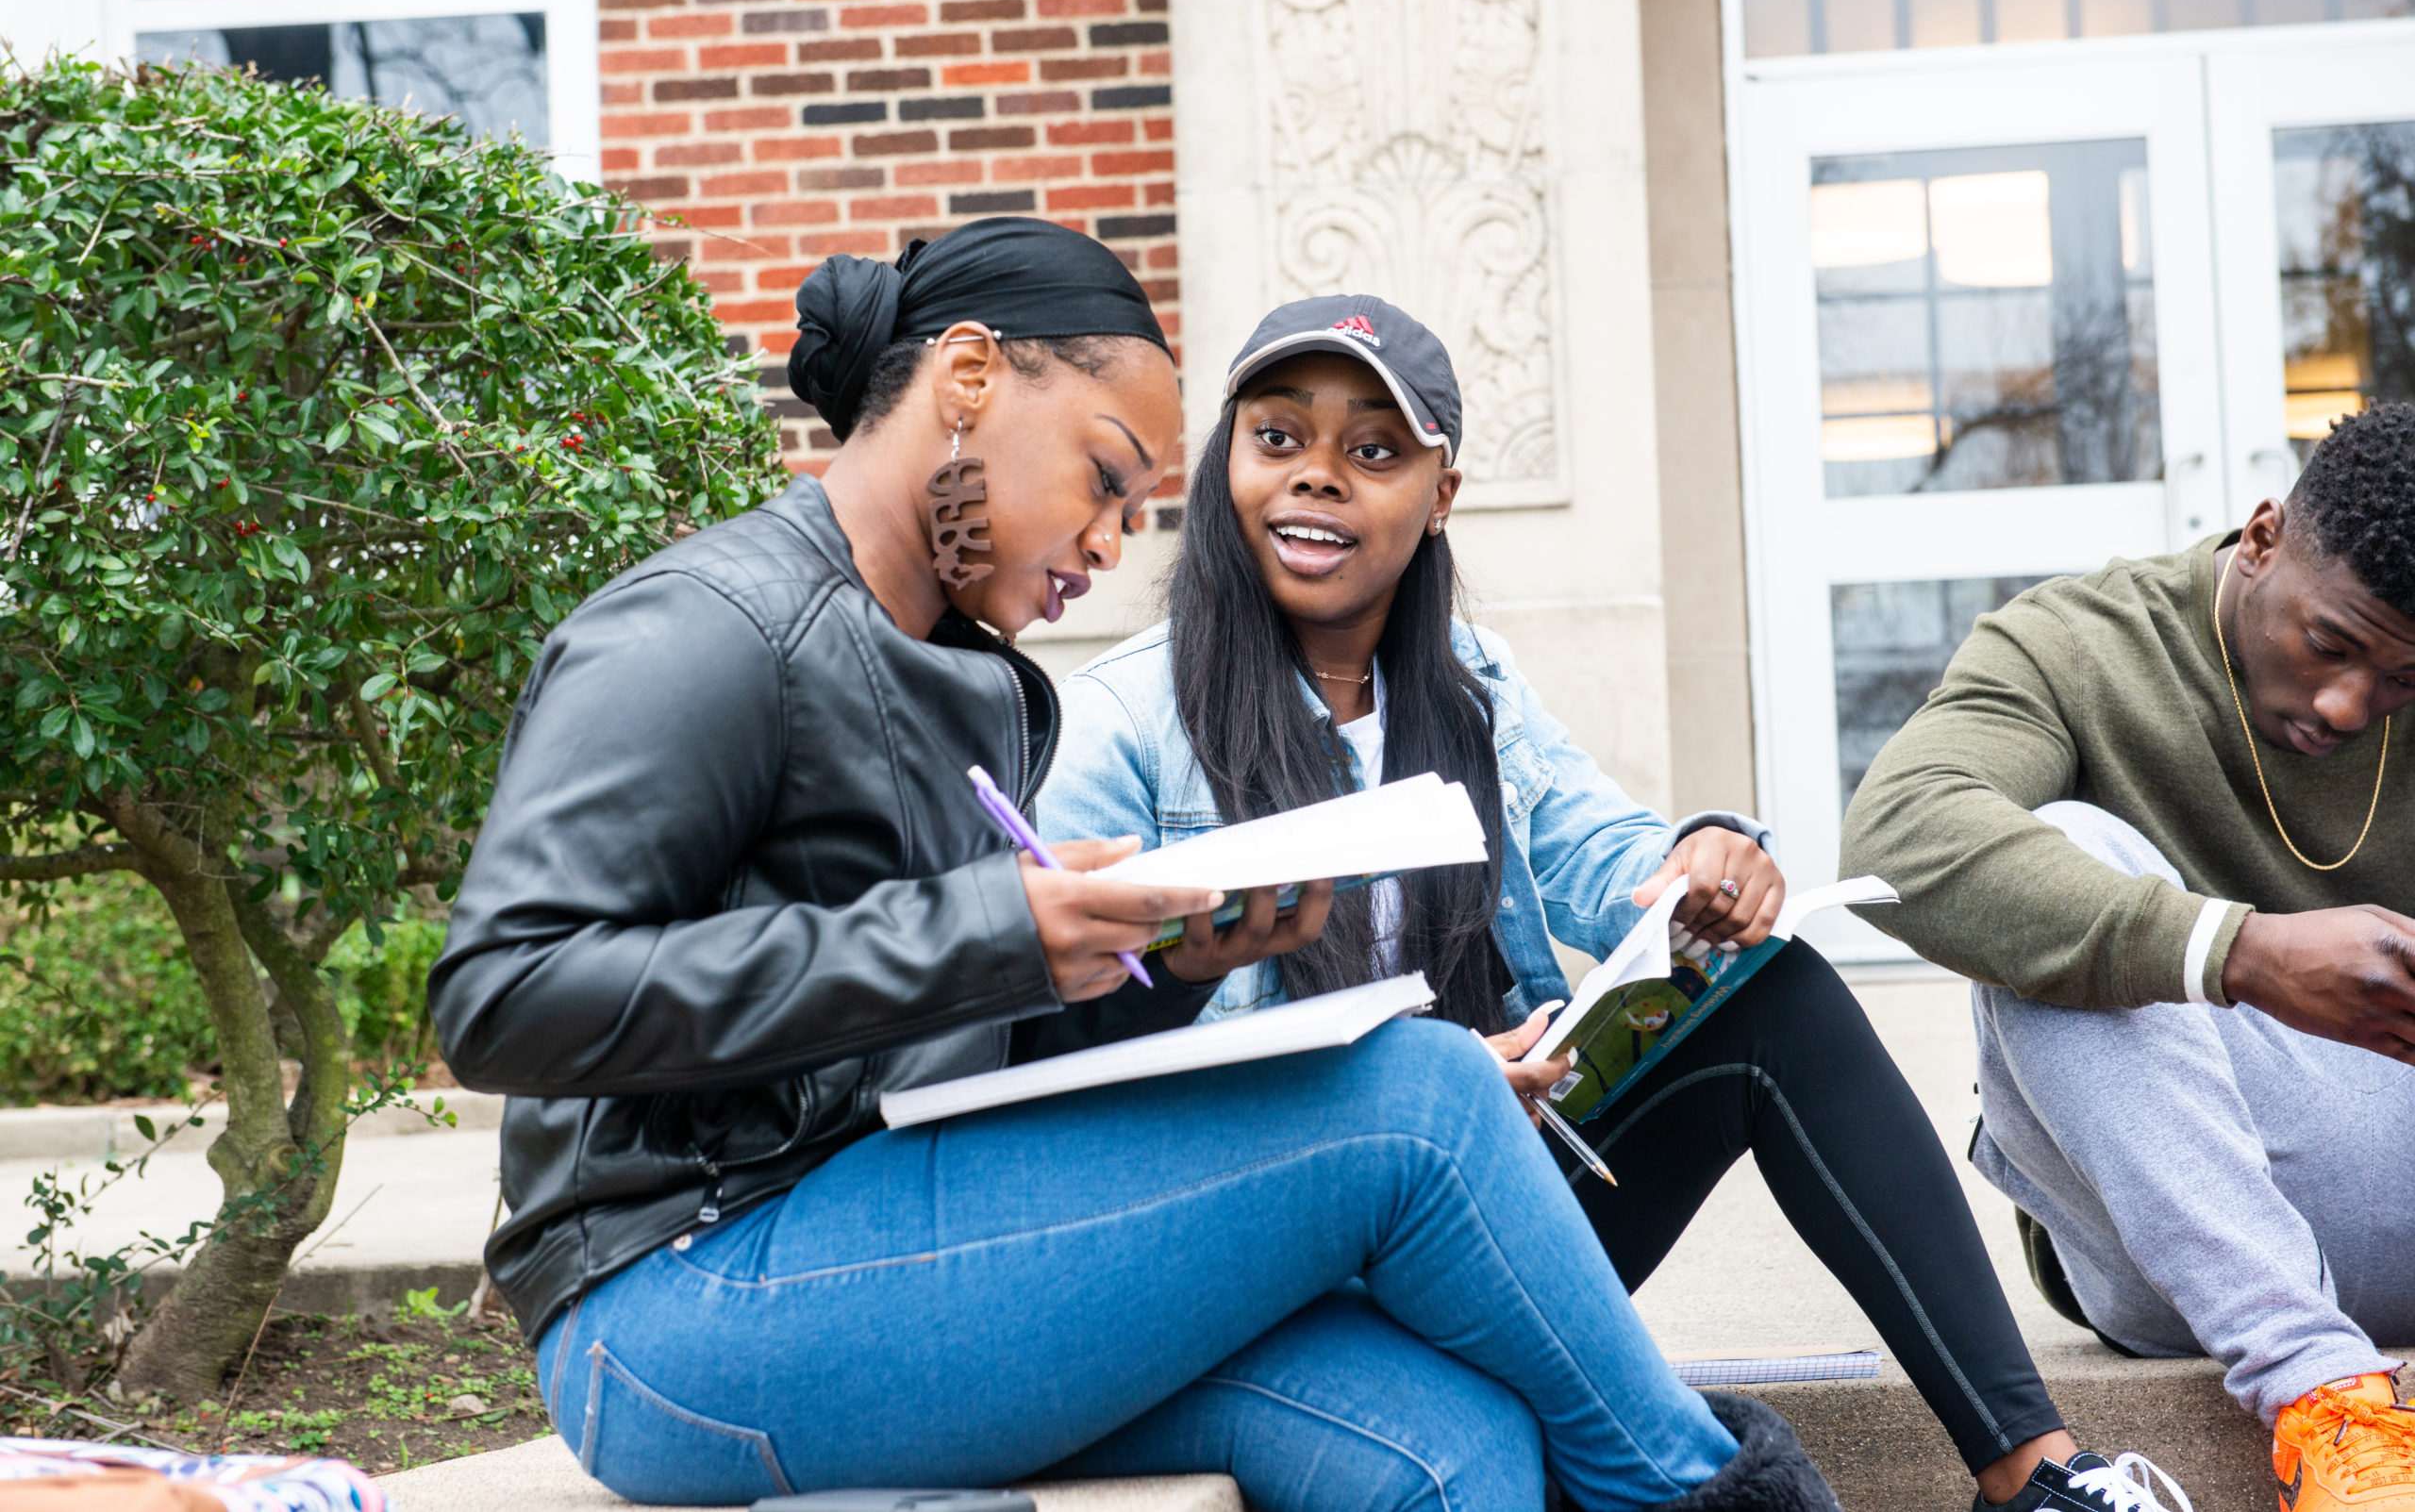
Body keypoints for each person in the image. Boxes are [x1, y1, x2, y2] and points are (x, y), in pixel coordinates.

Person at [428, 222, 1840, 1512]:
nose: (1110, 545)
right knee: (1421, 1093)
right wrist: (991, 926)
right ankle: (1689, 1494)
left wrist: (1160, 968)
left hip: (897, 1246)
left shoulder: (968, 682)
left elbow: (952, 1052)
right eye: (1106, 478)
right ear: (969, 378)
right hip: (676, 1304)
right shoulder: (708, 628)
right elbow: (503, 996)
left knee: (1447, 1440)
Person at [1039, 295, 2192, 1512]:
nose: (1314, 478)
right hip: (1265, 1262)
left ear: (1441, 493)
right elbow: (1078, 1074)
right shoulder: (1121, 726)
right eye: (1277, 439)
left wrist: (1698, 855)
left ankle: (2037, 1477)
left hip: (1477, 1221)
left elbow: (1606, 849)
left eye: (1373, 451)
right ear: (1227, 459)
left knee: (1773, 988)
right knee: (1429, 1118)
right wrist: (1407, 1090)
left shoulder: (1470, 688)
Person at [1840, 404, 2415, 1512]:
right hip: (2181, 1238)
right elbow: (1895, 840)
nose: (2350, 702)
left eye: (2397, 680)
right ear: (2259, 536)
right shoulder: (2079, 644)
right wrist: (2234, 952)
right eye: (2330, 644)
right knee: (2057, 856)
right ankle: (2329, 1404)